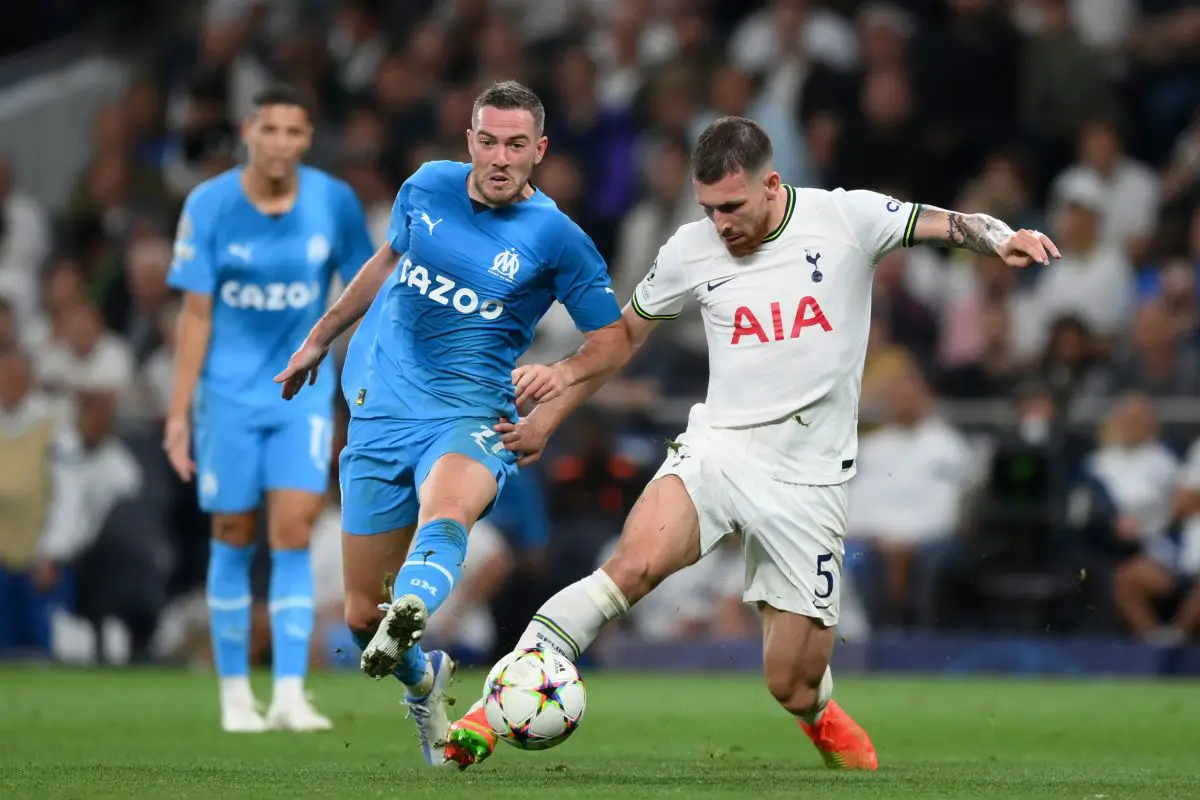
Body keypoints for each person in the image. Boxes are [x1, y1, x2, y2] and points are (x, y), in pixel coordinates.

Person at [442, 115, 1062, 771]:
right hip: (720, 450)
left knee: (788, 681)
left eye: (732, 207)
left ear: (771, 184)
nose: (721, 224)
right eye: (709, 209)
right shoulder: (691, 248)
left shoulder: (845, 219)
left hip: (809, 481)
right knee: (630, 568)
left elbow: (946, 222)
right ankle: (492, 708)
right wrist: (555, 404)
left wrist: (1000, 238)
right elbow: (622, 336)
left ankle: (817, 710)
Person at [273, 80, 625, 765]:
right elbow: (386, 261)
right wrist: (320, 336)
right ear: (469, 141)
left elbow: (611, 341)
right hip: (377, 412)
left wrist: (558, 390)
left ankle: (411, 613)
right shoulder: (428, 186)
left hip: (470, 413)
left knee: (450, 507)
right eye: (488, 141)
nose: (499, 157)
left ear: (539, 151)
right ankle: (422, 679)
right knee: (357, 615)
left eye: (516, 145)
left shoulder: (557, 238)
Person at [164, 85, 375, 733]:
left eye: (296, 131)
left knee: (291, 532)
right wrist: (178, 414)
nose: (283, 142)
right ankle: (234, 693)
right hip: (226, 396)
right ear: (247, 132)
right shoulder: (210, 204)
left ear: (308, 139)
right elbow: (196, 314)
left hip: (301, 396)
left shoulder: (333, 201)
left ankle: (287, 692)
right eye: (271, 129)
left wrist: (361, 385)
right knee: (232, 533)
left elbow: (366, 288)